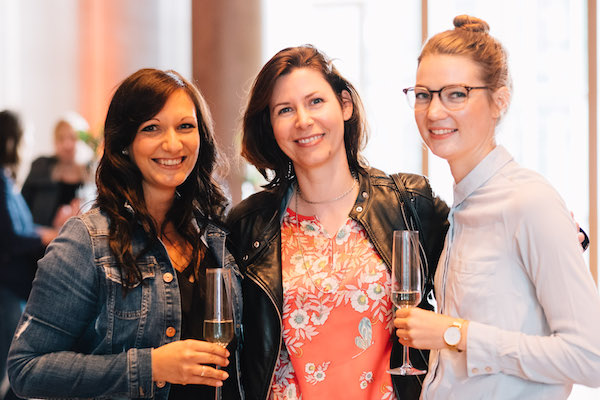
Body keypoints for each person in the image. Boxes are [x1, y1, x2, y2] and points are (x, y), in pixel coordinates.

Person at [393, 15, 600, 399]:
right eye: (423, 94)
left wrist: (456, 333)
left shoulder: (529, 202)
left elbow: (590, 357)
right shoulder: (459, 211)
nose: (434, 112)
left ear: (499, 101)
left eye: (456, 94)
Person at [226, 45, 450, 400]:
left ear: (345, 105)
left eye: (315, 101)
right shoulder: (248, 225)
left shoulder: (407, 203)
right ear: (270, 126)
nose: (303, 120)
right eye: (285, 110)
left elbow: (476, 279)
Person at [8, 68, 244, 399]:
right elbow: (27, 369)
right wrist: (151, 367)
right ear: (125, 144)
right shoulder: (87, 241)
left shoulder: (215, 233)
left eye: (185, 126)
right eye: (151, 128)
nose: (172, 143)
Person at [0, 110, 58, 400]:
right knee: (10, 368)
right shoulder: (1, 182)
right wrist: (48, 236)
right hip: (7, 289)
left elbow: (23, 227)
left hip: (15, 288)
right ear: (11, 141)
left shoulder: (7, 179)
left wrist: (50, 231)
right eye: (27, 137)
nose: (29, 143)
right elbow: (10, 236)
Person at [21, 114, 92, 228]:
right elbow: (21, 211)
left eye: (73, 137)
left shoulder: (93, 173)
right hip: (43, 236)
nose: (66, 145)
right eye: (61, 138)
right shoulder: (41, 167)